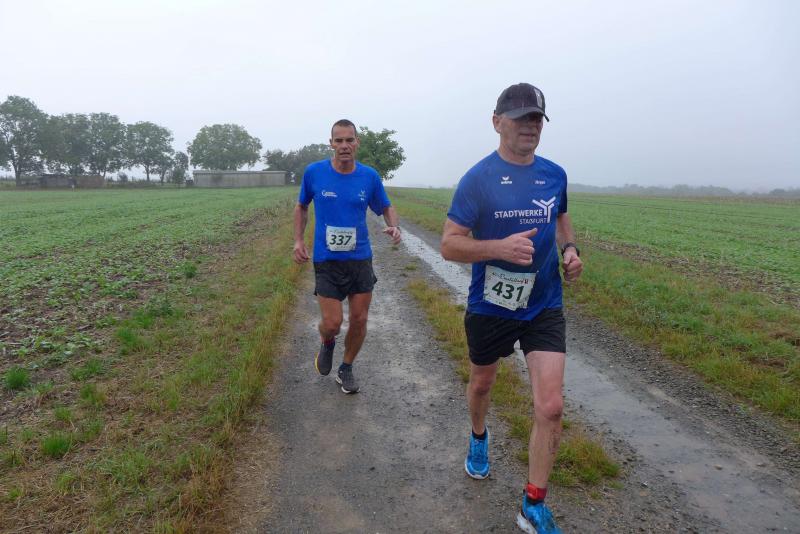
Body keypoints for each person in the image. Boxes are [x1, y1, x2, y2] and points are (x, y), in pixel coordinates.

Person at [441, 83, 583, 534]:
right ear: (497, 122)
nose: (530, 126)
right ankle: (478, 436)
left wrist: (570, 250)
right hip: (492, 306)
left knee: (551, 406)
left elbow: (560, 217)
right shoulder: (478, 178)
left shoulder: (554, 175)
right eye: (521, 118)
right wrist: (496, 247)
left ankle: (532, 504)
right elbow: (449, 244)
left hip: (543, 304)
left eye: (537, 118)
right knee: (482, 384)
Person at [293, 119, 401, 394]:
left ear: (357, 143)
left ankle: (346, 368)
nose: (344, 145)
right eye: (338, 140)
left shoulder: (369, 176)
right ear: (331, 143)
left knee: (359, 319)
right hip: (327, 260)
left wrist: (394, 225)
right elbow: (301, 206)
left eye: (349, 140)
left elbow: (385, 207)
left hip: (359, 258)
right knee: (332, 324)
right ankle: (327, 341)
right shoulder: (314, 172)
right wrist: (298, 241)